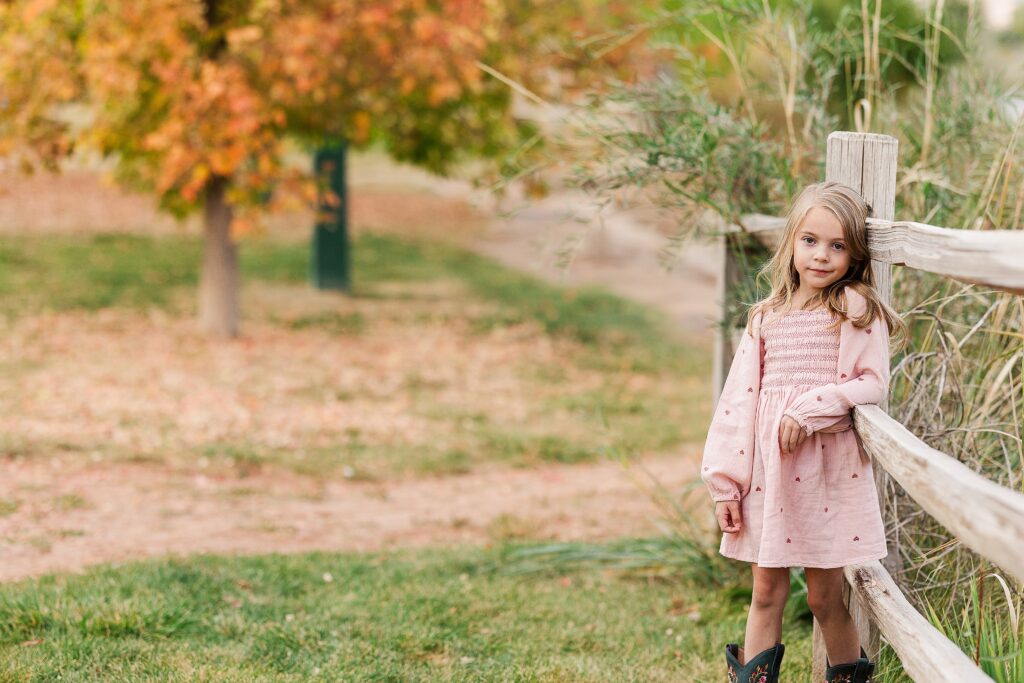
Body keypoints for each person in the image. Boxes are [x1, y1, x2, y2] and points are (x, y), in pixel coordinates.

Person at [700, 181, 908, 683]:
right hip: (768, 475)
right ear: (791, 241)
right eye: (810, 241)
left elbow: (871, 383)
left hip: (823, 476)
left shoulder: (853, 308)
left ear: (855, 255)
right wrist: (725, 482)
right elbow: (737, 406)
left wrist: (812, 407)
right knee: (765, 592)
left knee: (823, 596)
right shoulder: (765, 318)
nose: (821, 256)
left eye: (838, 246)